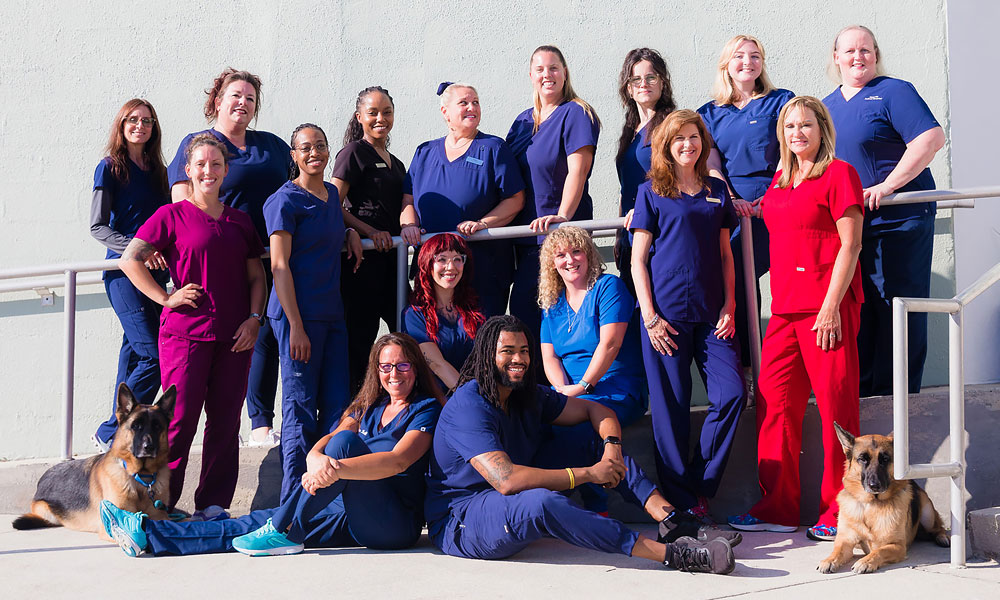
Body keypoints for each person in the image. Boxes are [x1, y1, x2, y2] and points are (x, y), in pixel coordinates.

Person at [425, 315, 739, 574]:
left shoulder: (526, 395)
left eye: (524, 350)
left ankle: (671, 519)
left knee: (588, 438)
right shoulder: (469, 405)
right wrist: (588, 474)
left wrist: (612, 448)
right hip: (463, 518)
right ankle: (673, 555)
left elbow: (595, 409)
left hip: (512, 495)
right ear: (486, 355)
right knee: (542, 502)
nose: (518, 358)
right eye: (507, 351)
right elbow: (507, 481)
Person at [99, 333, 444, 557]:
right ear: (377, 370)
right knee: (251, 526)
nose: (394, 374)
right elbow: (332, 438)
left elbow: (398, 461)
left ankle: (282, 528)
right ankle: (150, 534)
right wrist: (314, 457)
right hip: (346, 511)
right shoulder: (368, 404)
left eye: (402, 365)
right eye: (386, 366)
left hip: (393, 524)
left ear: (414, 367)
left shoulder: (424, 408)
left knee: (345, 446)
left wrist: (333, 470)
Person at [727, 96, 864, 542]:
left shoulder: (840, 174)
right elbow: (775, 219)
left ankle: (839, 509)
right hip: (784, 311)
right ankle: (779, 507)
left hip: (828, 309)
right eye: (789, 127)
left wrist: (829, 306)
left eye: (806, 125)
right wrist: (747, 207)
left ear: (822, 129)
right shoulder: (780, 181)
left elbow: (851, 245)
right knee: (774, 404)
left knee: (835, 412)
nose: (797, 133)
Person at [119, 133, 267, 514]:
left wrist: (254, 320)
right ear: (188, 171)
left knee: (225, 424)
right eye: (200, 164)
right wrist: (166, 297)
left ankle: (213, 506)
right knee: (178, 423)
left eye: (215, 164)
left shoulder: (239, 221)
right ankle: (157, 505)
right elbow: (130, 259)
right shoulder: (172, 215)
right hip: (185, 335)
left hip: (235, 337)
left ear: (225, 171)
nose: (208, 171)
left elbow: (257, 278)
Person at [629, 110, 746, 523]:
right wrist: (649, 317)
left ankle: (699, 483)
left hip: (714, 317)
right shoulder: (651, 192)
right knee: (672, 410)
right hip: (665, 320)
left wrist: (730, 305)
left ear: (703, 142)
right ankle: (682, 502)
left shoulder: (716, 191)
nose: (687, 145)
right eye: (678, 139)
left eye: (693, 137)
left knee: (732, 394)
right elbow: (637, 260)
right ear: (666, 145)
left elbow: (725, 254)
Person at [167, 68, 290, 446]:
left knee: (266, 333)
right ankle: (241, 424)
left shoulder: (271, 145)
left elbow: (300, 187)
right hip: (221, 260)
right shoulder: (198, 143)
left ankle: (260, 424)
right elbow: (181, 202)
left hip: (271, 257)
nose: (243, 103)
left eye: (251, 98)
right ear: (217, 100)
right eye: (236, 95)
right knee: (227, 344)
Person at [822, 25, 945, 396]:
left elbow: (930, 138)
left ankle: (899, 401)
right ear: (836, 58)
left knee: (898, 307)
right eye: (850, 51)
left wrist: (887, 185)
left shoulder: (894, 91)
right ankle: (866, 399)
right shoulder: (827, 106)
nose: (858, 57)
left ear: (875, 55)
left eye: (866, 50)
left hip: (899, 221)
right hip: (853, 226)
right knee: (864, 308)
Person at [264, 123, 363, 503]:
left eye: (320, 146)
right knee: (300, 412)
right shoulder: (284, 201)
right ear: (294, 155)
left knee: (338, 409)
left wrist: (351, 232)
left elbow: (333, 222)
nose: (314, 153)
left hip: (332, 316)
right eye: (306, 148)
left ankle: (328, 503)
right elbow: (279, 267)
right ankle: (292, 506)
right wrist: (295, 326)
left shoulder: (333, 194)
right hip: (298, 318)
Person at [698, 35, 795, 368]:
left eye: (755, 56)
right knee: (737, 282)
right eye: (739, 56)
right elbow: (710, 163)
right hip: (734, 207)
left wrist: (773, 195)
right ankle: (749, 369)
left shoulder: (780, 101)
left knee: (790, 281)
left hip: (778, 201)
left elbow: (790, 150)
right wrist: (732, 199)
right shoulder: (709, 114)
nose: (748, 62)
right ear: (726, 64)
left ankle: (791, 364)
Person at [538, 226, 645, 512]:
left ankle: (597, 506)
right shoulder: (552, 303)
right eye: (561, 255)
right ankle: (545, 505)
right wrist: (562, 390)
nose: (570, 260)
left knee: (579, 430)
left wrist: (583, 386)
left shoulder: (608, 287)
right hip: (572, 393)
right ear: (552, 262)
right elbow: (550, 358)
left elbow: (610, 344)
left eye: (576, 251)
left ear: (589, 255)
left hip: (614, 389)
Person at [400, 82, 525, 318]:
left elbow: (516, 199)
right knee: (433, 335)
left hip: (482, 269)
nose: (472, 107)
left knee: (479, 339)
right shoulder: (424, 152)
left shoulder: (493, 148)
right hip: (432, 269)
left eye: (475, 102)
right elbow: (408, 198)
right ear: (445, 111)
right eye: (464, 103)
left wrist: (484, 223)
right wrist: (409, 226)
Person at [89, 99, 170, 450]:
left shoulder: (158, 171)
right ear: (122, 125)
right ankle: (112, 429)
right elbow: (97, 226)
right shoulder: (109, 168)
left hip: (156, 274)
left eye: (148, 121)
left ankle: (111, 435)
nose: (141, 126)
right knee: (155, 355)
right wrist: (138, 248)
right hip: (124, 273)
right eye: (133, 120)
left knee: (135, 353)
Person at [506, 45, 601, 343]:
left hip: (560, 238)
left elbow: (578, 171)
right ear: (531, 75)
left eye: (554, 67)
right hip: (526, 241)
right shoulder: (522, 122)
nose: (547, 74)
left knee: (564, 326)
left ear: (564, 72)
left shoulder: (576, 113)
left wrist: (563, 216)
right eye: (540, 69)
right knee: (526, 322)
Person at [332, 86, 407, 394]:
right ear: (359, 116)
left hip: (393, 261)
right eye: (373, 112)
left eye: (386, 112)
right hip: (362, 260)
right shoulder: (353, 153)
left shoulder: (397, 163)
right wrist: (367, 231)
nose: (381, 118)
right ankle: (354, 407)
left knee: (404, 333)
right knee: (359, 338)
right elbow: (332, 203)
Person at [615, 48, 676, 296]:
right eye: (636, 79)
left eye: (651, 77)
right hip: (631, 233)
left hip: (661, 234)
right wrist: (620, 234)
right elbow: (626, 188)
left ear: (663, 82)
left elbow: (678, 180)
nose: (644, 84)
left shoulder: (672, 123)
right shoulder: (630, 131)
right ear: (628, 88)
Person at [402, 233, 485, 395]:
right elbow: (438, 365)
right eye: (442, 259)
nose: (451, 267)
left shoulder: (475, 307)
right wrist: (474, 399)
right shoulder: (413, 314)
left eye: (457, 259)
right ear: (428, 264)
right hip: (438, 400)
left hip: (477, 394)